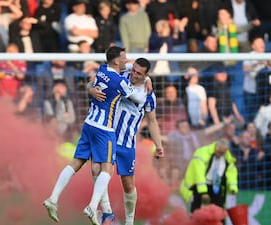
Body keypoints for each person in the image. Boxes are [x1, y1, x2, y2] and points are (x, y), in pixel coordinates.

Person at [43, 46, 147, 225]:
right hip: (104, 128)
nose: (126, 60)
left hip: (89, 123)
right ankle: (92, 206)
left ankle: (52, 198)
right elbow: (139, 99)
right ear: (116, 60)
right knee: (108, 168)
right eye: (124, 58)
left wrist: (91, 88)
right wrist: (147, 87)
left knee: (76, 163)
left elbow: (98, 80)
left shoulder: (102, 69)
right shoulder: (119, 82)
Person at [88, 57, 165, 225]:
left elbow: (152, 121)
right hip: (107, 134)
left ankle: (129, 221)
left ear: (146, 75)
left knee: (128, 185)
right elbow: (99, 78)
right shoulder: (121, 75)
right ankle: (106, 213)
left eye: (139, 73)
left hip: (127, 142)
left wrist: (159, 145)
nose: (134, 74)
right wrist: (91, 89)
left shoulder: (148, 95)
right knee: (96, 169)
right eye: (134, 70)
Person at [180, 138, 238, 213]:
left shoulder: (227, 157)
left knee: (219, 210)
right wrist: (203, 192)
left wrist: (233, 188)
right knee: (196, 211)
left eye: (223, 153)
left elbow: (231, 173)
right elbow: (199, 174)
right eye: (219, 152)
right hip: (199, 185)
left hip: (216, 185)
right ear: (216, 147)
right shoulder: (202, 153)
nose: (220, 155)